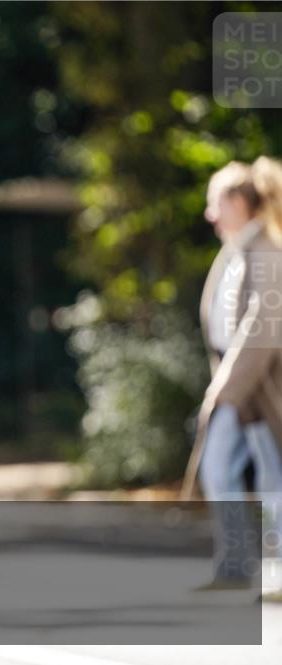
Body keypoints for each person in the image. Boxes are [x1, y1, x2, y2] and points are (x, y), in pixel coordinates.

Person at [182, 157, 282, 592]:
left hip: (257, 389)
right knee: (245, 472)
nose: (210, 214)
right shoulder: (236, 251)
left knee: (264, 477)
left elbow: (263, 332)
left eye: (216, 203)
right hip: (238, 385)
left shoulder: (267, 253)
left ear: (239, 203)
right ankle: (239, 565)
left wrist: (225, 391)